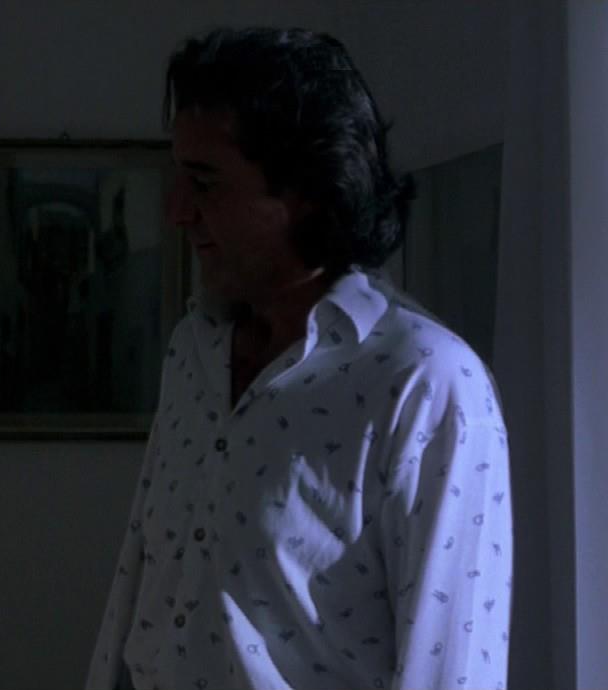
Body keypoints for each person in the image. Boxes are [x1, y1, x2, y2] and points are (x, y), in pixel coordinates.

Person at [87, 28, 511, 690]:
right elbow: (140, 585)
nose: (175, 212)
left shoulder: (425, 383)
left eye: (204, 182)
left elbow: (449, 671)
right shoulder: (194, 349)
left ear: (306, 190)